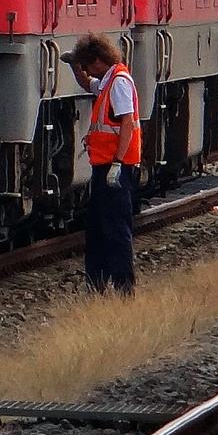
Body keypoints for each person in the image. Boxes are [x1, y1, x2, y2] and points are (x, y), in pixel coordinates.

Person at [64, 34, 142, 294]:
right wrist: (74, 66)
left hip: (114, 167)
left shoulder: (119, 83)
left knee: (116, 230)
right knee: (98, 228)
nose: (87, 70)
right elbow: (88, 85)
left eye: (88, 65)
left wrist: (118, 163)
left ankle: (123, 289)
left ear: (98, 60)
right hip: (104, 166)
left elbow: (127, 123)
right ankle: (97, 285)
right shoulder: (108, 82)